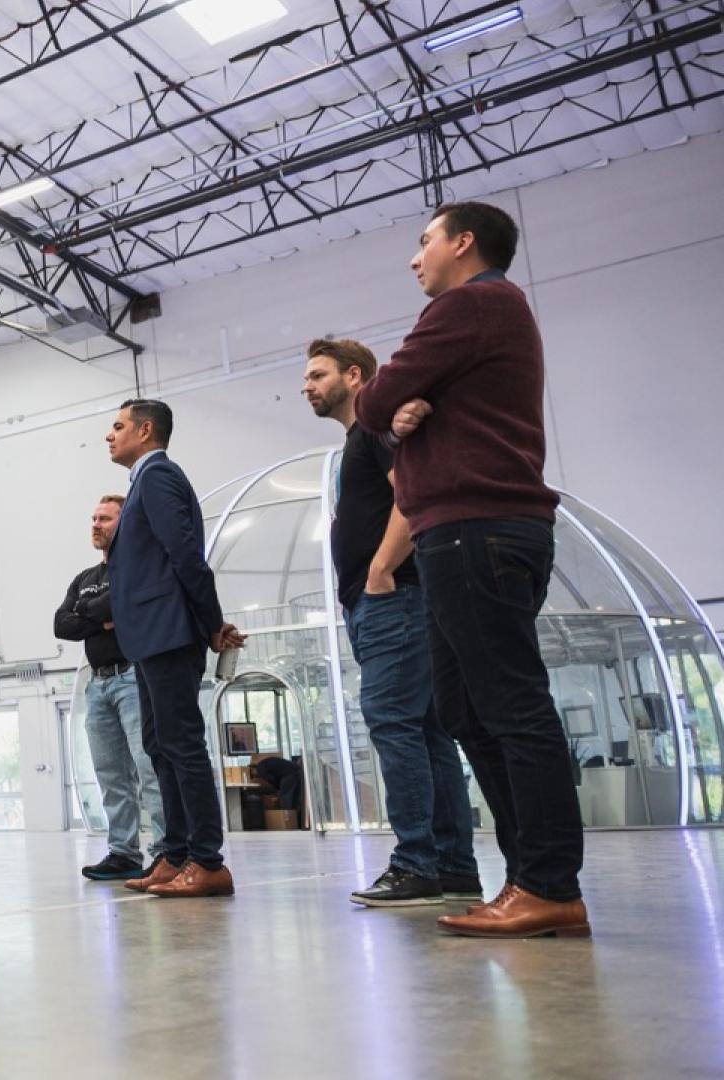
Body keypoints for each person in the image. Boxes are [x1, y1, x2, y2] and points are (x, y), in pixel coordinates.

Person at [356, 202, 589, 939]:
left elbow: (376, 398)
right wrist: (398, 417)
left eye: (424, 240)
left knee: (512, 707)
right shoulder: (486, 315)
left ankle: (549, 883)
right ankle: (529, 879)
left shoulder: (469, 305)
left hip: (476, 529)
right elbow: (392, 412)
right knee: (466, 711)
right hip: (461, 534)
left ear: (463, 243)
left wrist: (387, 408)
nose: (414, 256)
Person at [303, 339, 481, 908]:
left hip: (393, 599)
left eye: (317, 374)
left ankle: (415, 864)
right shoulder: (364, 439)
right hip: (387, 603)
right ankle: (452, 865)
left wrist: (380, 569)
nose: (307, 385)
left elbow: (411, 493)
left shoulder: (378, 433)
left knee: (393, 721)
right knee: (427, 729)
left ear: (355, 376)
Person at [103, 399, 247, 899]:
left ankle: (208, 861)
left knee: (182, 746)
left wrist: (211, 624)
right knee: (159, 746)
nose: (109, 436)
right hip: (149, 637)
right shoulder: (142, 482)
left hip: (169, 632)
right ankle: (177, 851)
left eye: (118, 427)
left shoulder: (160, 477)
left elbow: (187, 555)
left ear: (146, 431)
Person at [55, 494, 170, 882]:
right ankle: (123, 852)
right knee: (110, 773)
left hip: (133, 679)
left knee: (147, 767)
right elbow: (61, 625)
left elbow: (116, 607)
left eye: (104, 518)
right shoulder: (84, 579)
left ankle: (165, 852)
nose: (96, 524)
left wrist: (95, 613)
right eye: (93, 518)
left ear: (124, 524)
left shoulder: (136, 568)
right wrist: (102, 616)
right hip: (98, 682)